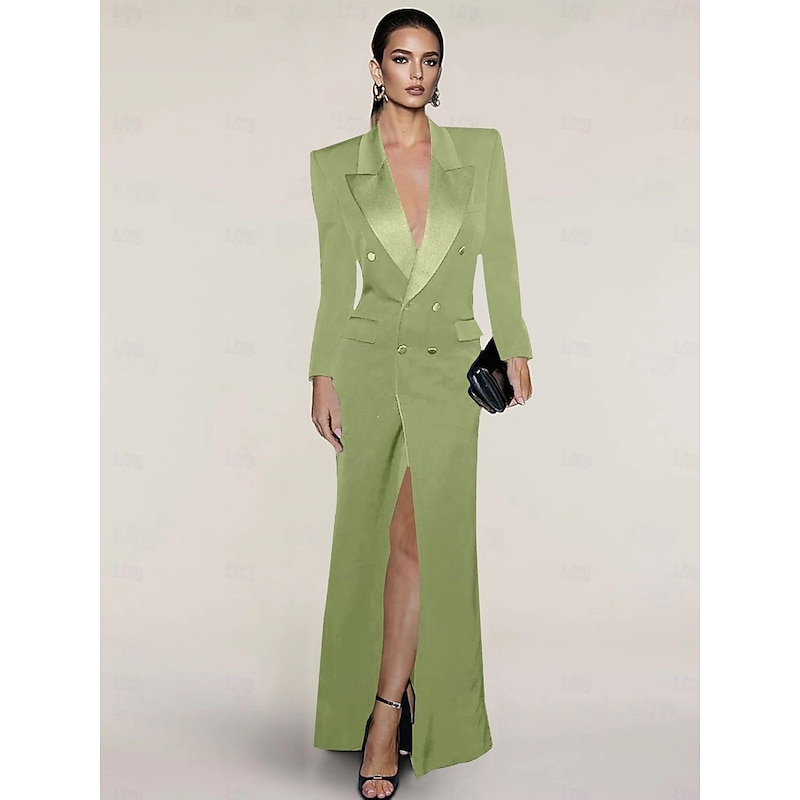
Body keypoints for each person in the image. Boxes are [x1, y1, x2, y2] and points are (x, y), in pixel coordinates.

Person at [307, 8, 534, 798]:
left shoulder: (479, 152)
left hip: (447, 367)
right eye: (401, 59)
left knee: (418, 535)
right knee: (369, 540)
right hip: (369, 365)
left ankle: (386, 714)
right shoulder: (334, 166)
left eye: (429, 60)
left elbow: (500, 250)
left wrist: (515, 341)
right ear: (376, 69)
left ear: (440, 71)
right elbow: (335, 283)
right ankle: (379, 699)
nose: (416, 73)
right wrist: (322, 374)